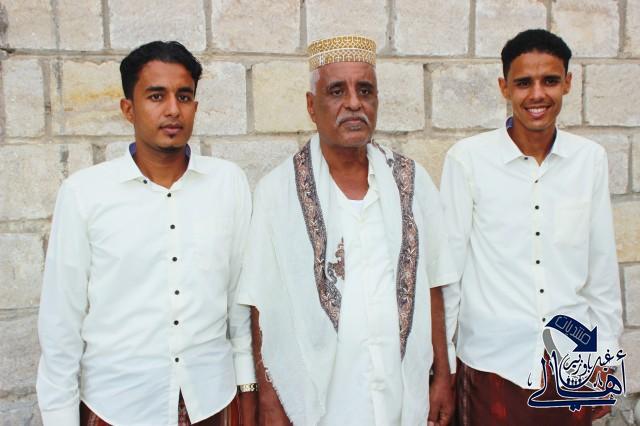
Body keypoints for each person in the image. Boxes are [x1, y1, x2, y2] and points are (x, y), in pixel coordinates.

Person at [236, 35, 459, 426]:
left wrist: (443, 374)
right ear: (312, 106)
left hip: (398, 390)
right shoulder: (278, 192)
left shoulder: (411, 181)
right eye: (337, 91)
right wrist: (271, 400)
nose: (354, 103)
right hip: (322, 401)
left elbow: (435, 283)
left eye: (365, 91)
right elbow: (261, 304)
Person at [36, 41, 257, 426]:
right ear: (128, 109)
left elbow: (239, 303)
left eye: (183, 96)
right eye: (156, 96)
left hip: (212, 400)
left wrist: (247, 388)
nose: (173, 109)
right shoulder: (85, 194)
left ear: (195, 107)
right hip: (118, 408)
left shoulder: (227, 183)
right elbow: (61, 326)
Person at [440, 29, 623, 425]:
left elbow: (602, 270)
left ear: (568, 83)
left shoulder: (589, 160)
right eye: (524, 83)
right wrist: (441, 368)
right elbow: (449, 273)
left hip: (572, 364)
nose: (537, 94)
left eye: (550, 80)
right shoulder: (467, 161)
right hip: (491, 365)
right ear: (504, 87)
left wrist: (607, 359)